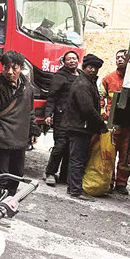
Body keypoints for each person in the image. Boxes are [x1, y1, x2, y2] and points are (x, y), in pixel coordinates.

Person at [0, 50, 40, 197]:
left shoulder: (27, 87)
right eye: (6, 67)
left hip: (20, 139)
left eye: (14, 68)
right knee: (0, 176)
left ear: (21, 68)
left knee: (17, 174)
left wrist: (33, 129)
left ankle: (9, 202)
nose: (10, 71)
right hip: (2, 139)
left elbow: (29, 110)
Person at [62, 54, 107, 200]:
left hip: (79, 126)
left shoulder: (87, 81)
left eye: (96, 68)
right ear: (84, 67)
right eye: (90, 67)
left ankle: (72, 187)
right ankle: (76, 191)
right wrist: (101, 124)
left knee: (76, 158)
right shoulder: (83, 84)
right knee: (77, 159)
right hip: (79, 127)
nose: (93, 70)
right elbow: (87, 109)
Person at [102, 49, 130, 195]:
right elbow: (100, 97)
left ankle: (121, 183)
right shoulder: (108, 79)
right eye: (117, 57)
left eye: (123, 57)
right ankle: (109, 181)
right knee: (109, 155)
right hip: (113, 124)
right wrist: (104, 114)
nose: (120, 60)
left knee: (126, 156)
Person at [43, 50, 79, 186]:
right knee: (60, 145)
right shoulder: (59, 76)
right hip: (61, 116)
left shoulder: (81, 76)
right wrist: (48, 114)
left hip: (75, 118)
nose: (72, 61)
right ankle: (50, 173)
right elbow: (52, 97)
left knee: (70, 147)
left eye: (74, 58)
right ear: (64, 62)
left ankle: (64, 176)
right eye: (69, 59)